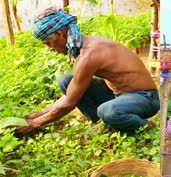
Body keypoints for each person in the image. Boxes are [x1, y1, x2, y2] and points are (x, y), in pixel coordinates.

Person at [14, 7, 159, 135]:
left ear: (60, 34)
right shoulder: (84, 47)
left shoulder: (88, 55)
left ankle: (146, 127)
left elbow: (69, 103)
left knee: (108, 111)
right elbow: (71, 94)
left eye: (48, 43)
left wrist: (35, 124)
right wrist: (36, 115)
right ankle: (103, 122)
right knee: (67, 81)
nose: (50, 49)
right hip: (118, 95)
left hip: (145, 98)